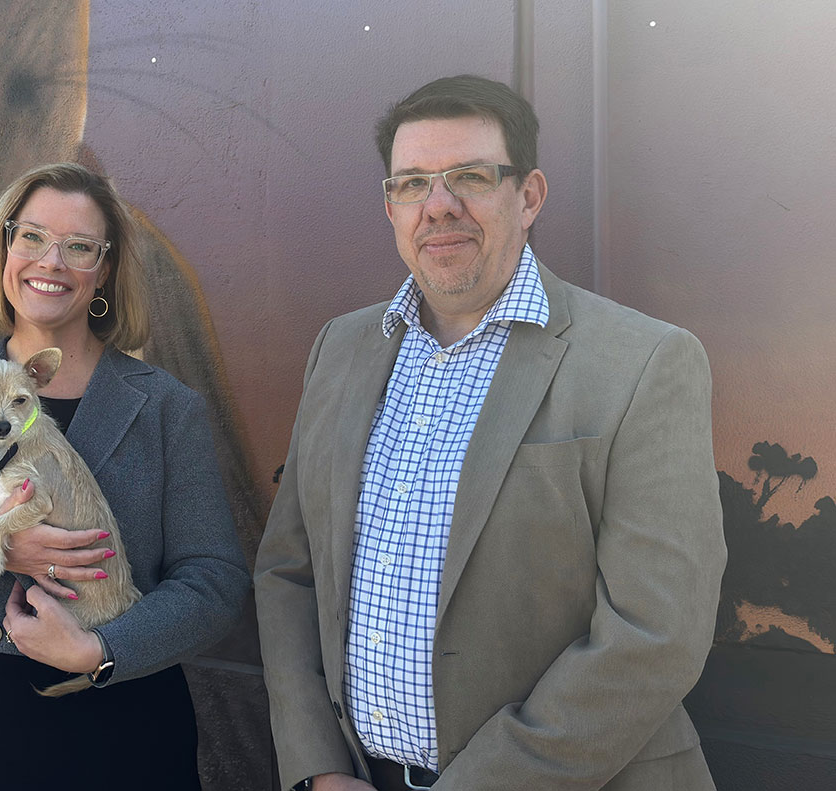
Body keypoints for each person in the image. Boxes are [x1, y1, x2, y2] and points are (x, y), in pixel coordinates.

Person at [254, 75, 726, 791]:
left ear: (528, 195)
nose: (439, 205)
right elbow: (289, 572)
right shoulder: (342, 348)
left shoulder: (645, 361)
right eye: (412, 183)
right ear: (390, 206)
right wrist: (319, 766)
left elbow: (654, 634)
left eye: (470, 176)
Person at [0, 162, 249, 790]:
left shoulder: (168, 408)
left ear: (104, 271)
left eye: (79, 247)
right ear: (4, 249)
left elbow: (215, 582)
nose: (51, 261)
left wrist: (103, 649)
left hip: (122, 727)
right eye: (31, 236)